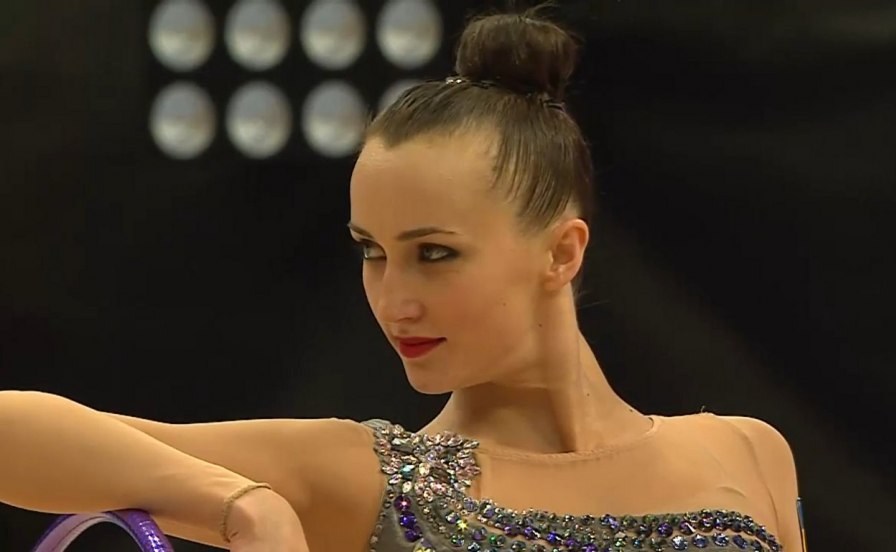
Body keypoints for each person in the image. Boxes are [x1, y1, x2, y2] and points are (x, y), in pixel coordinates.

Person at [0, 7, 803, 552]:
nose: (393, 300)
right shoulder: (364, 478)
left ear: (561, 253)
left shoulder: (747, 451)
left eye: (435, 253)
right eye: (371, 251)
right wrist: (241, 503)